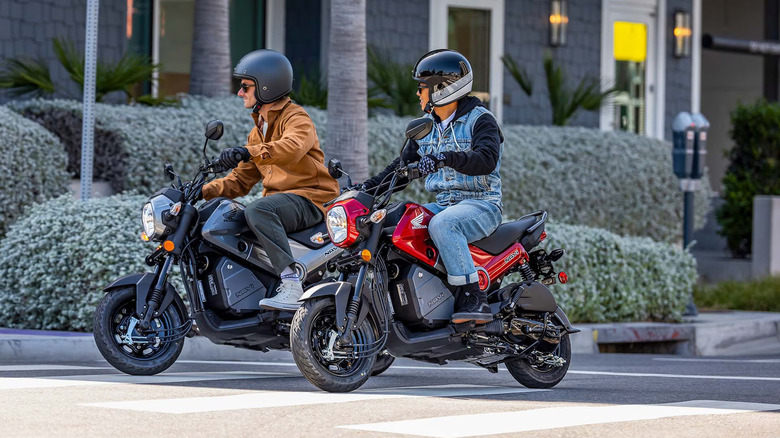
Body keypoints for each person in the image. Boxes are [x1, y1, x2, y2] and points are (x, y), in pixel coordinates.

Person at [358, 49, 503, 324]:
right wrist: (364, 189)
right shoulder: (427, 128)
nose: (418, 94)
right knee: (398, 224)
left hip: (481, 204)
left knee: (443, 225)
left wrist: (443, 159)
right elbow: (398, 171)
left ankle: (474, 297)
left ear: (442, 89)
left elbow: (486, 160)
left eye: (421, 87)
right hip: (444, 205)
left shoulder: (481, 120)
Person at [201, 49, 340, 311]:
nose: (240, 93)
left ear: (266, 86)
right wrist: (201, 191)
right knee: (233, 216)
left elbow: (291, 147)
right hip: (282, 203)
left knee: (258, 210)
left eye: (245, 86)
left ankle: (290, 283)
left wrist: (247, 152)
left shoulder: (296, 118)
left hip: (311, 198)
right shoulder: (258, 132)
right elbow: (240, 181)